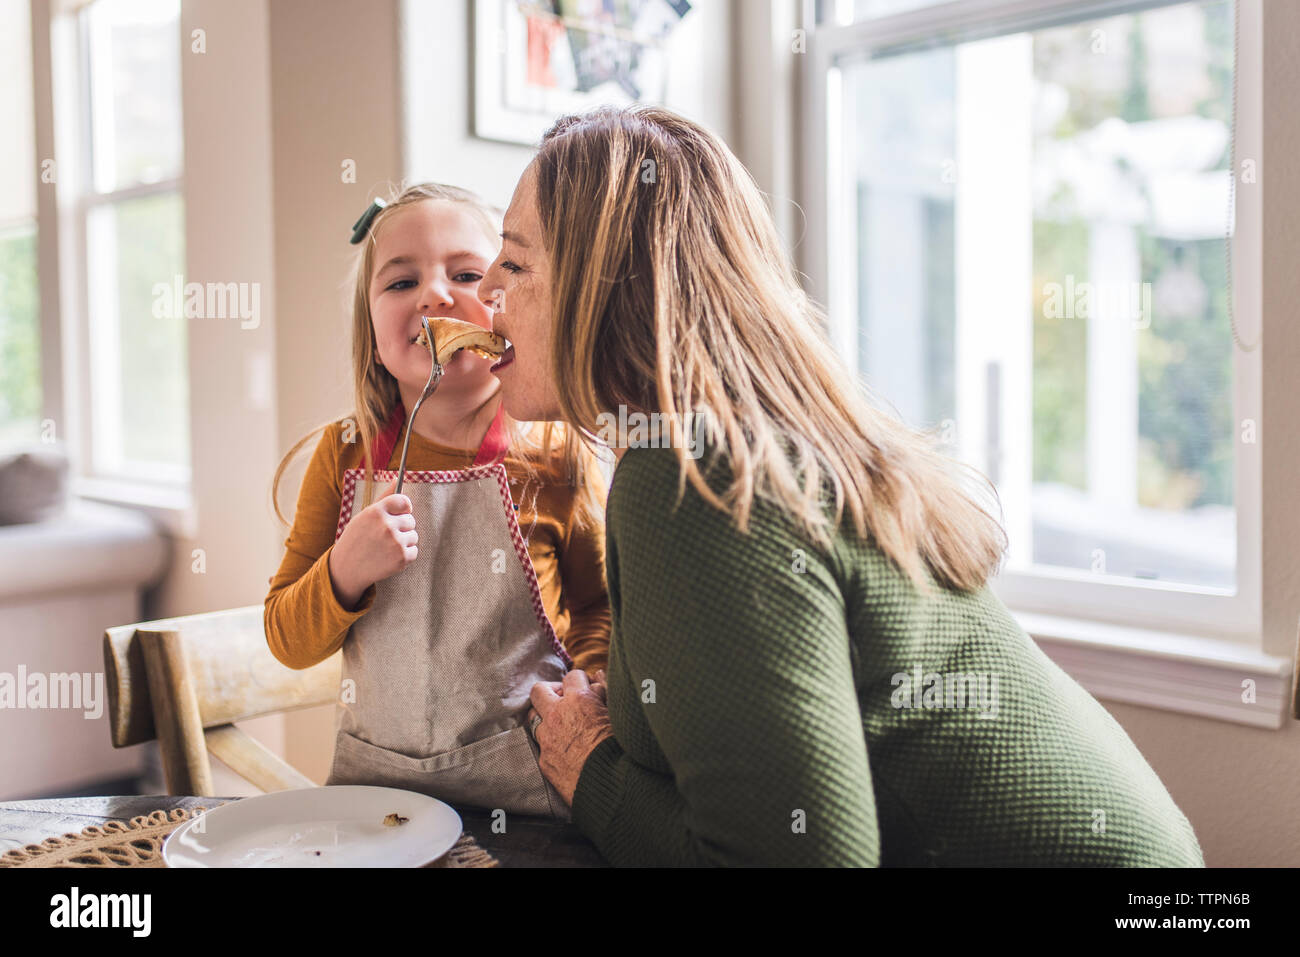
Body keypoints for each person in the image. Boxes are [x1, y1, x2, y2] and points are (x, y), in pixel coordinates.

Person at [479, 105, 1205, 865]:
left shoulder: (694, 480)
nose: (485, 288)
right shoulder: (733, 442)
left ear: (610, 291)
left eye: (517, 263)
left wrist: (592, 773)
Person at [265, 183, 610, 820]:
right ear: (369, 328)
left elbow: (598, 606)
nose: (433, 295)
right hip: (375, 796)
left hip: (531, 792)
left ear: (509, 305)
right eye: (400, 283)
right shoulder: (345, 454)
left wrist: (584, 687)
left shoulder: (558, 453)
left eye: (467, 274)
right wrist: (344, 572)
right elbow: (286, 639)